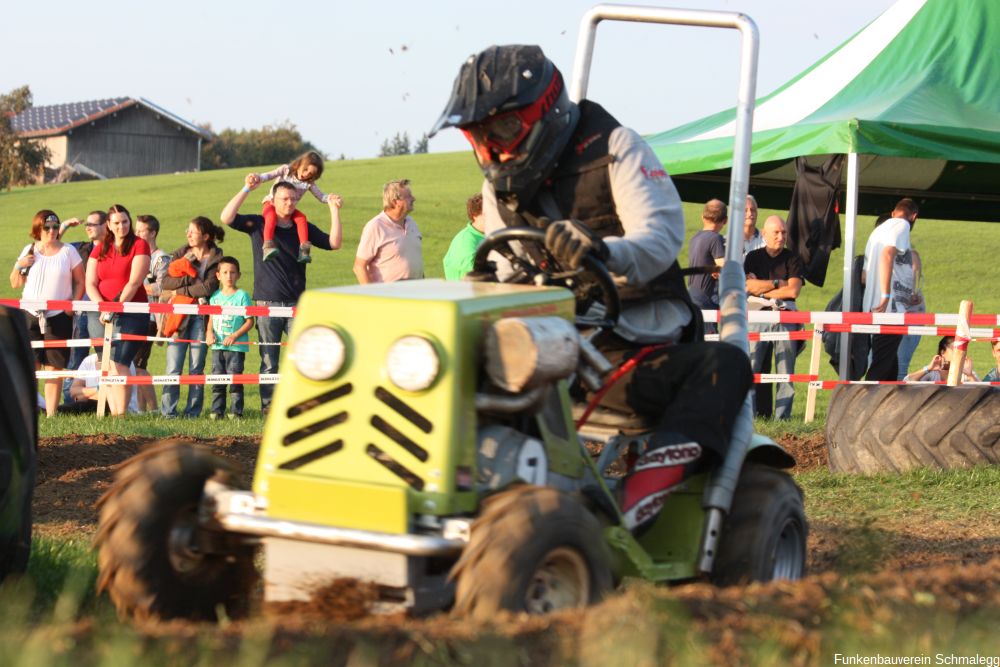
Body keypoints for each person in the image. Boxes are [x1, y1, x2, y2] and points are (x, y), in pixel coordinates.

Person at [431, 44, 751, 534]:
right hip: (545, 351)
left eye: (504, 131)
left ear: (546, 113)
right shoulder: (500, 188)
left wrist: (604, 251)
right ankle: (441, 487)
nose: (492, 150)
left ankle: (638, 496)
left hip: (633, 347)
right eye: (478, 137)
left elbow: (662, 237)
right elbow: (497, 259)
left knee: (726, 366)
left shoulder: (616, 148)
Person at [220, 176, 343, 415]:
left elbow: (334, 243)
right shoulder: (258, 224)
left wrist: (333, 210)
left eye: (293, 198)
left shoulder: (302, 229)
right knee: (269, 361)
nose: (289, 203)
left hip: (297, 303)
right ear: (273, 200)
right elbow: (226, 217)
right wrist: (247, 188)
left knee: (303, 357)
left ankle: (303, 405)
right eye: (284, 199)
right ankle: (270, 408)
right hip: (267, 302)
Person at [9, 210, 85, 416]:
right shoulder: (30, 250)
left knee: (54, 366)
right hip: (30, 314)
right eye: (47, 227)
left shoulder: (68, 251)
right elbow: (15, 283)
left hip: (58, 315)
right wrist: (19, 265)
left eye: (55, 227)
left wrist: (73, 305)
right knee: (30, 365)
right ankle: (28, 411)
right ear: (38, 230)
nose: (52, 231)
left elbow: (80, 280)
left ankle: (51, 413)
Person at [85, 204, 150, 416]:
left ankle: (120, 415)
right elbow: (90, 283)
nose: (121, 226)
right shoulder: (100, 247)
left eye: (125, 221)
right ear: (108, 225)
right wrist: (102, 307)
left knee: (121, 362)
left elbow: (134, 281)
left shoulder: (139, 245)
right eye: (116, 223)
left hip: (130, 310)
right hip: (99, 313)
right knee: (107, 364)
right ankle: (114, 414)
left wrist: (115, 307)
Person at [159, 217, 225, 418]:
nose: (188, 234)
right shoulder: (181, 253)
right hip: (179, 314)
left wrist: (181, 289)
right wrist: (189, 282)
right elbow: (166, 282)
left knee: (196, 367)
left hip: (202, 316)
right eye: (187, 230)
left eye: (192, 232)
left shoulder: (216, 257)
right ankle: (168, 412)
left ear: (205, 236)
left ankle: (192, 413)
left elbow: (209, 287)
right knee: (173, 365)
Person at [744, 215, 805, 420]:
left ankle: (783, 419)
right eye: (776, 233)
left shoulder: (793, 258)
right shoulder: (752, 257)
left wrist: (761, 290)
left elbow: (793, 292)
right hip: (756, 316)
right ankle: (749, 418)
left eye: (784, 232)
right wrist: (780, 283)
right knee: (751, 368)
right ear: (765, 234)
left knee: (786, 371)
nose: (781, 237)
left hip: (785, 316)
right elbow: (747, 286)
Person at [861, 198, 918, 381]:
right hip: (889, 310)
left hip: (876, 306)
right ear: (914, 216)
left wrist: (904, 295)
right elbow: (887, 254)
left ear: (893, 212)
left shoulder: (878, 231)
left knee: (888, 365)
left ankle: (889, 405)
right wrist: (886, 295)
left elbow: (864, 275)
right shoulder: (901, 225)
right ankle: (864, 405)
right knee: (881, 366)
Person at [246, 150, 336, 264]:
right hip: (271, 203)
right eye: (306, 169)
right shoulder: (285, 170)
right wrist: (257, 177)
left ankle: (304, 251)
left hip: (289, 209)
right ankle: (268, 246)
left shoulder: (309, 183)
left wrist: (330, 198)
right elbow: (268, 175)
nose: (307, 174)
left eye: (311, 174)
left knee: (302, 219)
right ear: (299, 164)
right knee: (271, 217)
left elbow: (321, 196)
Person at [59, 210, 107, 404]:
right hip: (80, 313)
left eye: (93, 224)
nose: (88, 227)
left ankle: (106, 399)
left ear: (106, 226)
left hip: (101, 313)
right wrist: (63, 227)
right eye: (86, 223)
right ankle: (70, 400)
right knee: (75, 357)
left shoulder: (113, 250)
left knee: (105, 356)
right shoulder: (80, 248)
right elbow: (53, 245)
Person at [206, 256, 254, 419]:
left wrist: (234, 335)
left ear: (238, 275)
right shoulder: (215, 297)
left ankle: (236, 412)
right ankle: (217, 411)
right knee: (218, 379)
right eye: (225, 272)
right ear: (218, 275)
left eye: (232, 273)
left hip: (236, 347)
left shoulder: (242, 296)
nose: (229, 276)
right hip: (218, 347)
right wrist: (209, 333)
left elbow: (249, 322)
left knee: (235, 379)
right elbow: (211, 318)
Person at [353, 179, 423, 284]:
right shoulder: (375, 226)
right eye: (408, 196)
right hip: (389, 296)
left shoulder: (412, 223)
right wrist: (372, 296)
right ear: (395, 202)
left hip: (416, 294)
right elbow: (359, 267)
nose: (414, 198)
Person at [133, 214, 169, 411]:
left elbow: (162, 288)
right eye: (136, 230)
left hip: (150, 317)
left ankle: (153, 409)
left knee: (138, 364)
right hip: (133, 314)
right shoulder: (136, 255)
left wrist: (134, 286)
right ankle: (141, 409)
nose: (137, 234)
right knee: (135, 365)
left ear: (153, 232)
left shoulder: (160, 258)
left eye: (141, 230)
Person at [57, 352, 139, 415]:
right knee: (82, 405)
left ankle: (54, 410)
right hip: (90, 403)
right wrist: (98, 390)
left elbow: (115, 395)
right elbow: (73, 391)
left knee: (80, 406)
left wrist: (85, 394)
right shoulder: (88, 360)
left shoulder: (122, 363)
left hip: (118, 408)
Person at [687, 199, 727, 311]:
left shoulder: (694, 238)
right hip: (706, 298)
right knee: (710, 329)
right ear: (725, 220)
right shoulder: (716, 238)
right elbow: (723, 269)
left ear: (702, 217)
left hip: (692, 294)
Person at [894, 245, 924, 379]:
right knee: (878, 361)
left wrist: (914, 293)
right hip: (894, 315)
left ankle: (896, 397)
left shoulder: (911, 254)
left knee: (900, 364)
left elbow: (916, 280)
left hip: (911, 314)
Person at [443, 193, 486, 280]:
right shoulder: (465, 239)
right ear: (475, 216)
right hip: (463, 292)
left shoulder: (489, 235)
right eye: (486, 215)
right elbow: (476, 268)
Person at [903, 336, 978, 383]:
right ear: (943, 352)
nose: (959, 353)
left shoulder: (966, 372)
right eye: (954, 350)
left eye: (962, 350)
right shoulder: (933, 372)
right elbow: (906, 381)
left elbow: (982, 394)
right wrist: (928, 368)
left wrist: (970, 375)